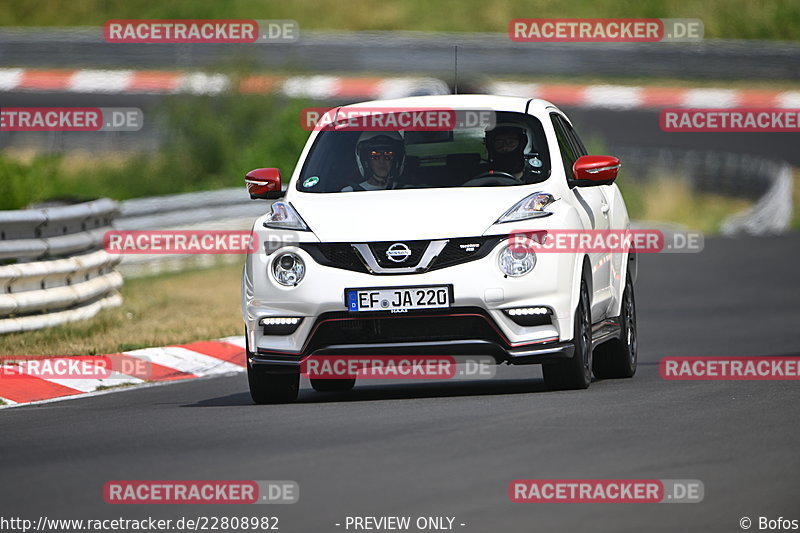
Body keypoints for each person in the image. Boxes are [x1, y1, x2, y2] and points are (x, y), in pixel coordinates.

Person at [341, 131, 406, 191]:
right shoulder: (349, 192)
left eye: (388, 156)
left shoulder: (408, 191)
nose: (382, 161)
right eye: (375, 156)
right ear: (366, 160)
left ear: (395, 160)